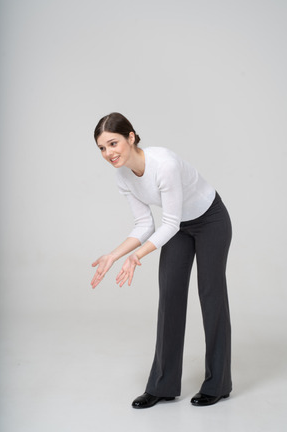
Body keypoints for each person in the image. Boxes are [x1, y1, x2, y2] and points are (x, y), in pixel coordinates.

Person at [91, 112, 232, 408]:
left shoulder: (163, 164)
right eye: (102, 148)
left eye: (113, 143)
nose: (109, 153)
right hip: (178, 226)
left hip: (210, 220)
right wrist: (115, 255)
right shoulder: (123, 177)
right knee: (169, 296)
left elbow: (168, 222)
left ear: (131, 137)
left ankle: (218, 383)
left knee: (211, 295)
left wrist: (136, 257)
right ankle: (163, 385)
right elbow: (144, 225)